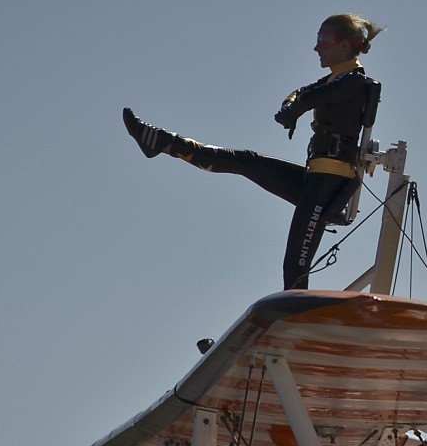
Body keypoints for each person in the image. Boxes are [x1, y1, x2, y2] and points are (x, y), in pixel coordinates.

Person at [123, 14, 384, 290]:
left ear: (344, 45)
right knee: (247, 161)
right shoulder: (331, 80)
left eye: (322, 40)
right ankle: (163, 142)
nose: (316, 47)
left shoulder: (356, 82)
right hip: (314, 178)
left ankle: (296, 314)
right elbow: (298, 93)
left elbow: (312, 98)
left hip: (330, 184)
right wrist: (290, 106)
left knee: (295, 266)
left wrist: (295, 108)